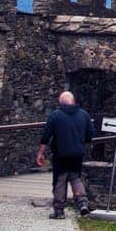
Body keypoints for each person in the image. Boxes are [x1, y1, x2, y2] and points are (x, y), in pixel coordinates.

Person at [37, 90, 93, 219]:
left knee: (60, 181)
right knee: (75, 178)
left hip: (60, 154)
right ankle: (82, 202)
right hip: (77, 154)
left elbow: (46, 136)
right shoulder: (83, 115)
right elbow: (90, 136)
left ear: (61, 103)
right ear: (73, 101)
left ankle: (59, 211)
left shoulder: (55, 116)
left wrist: (40, 153)